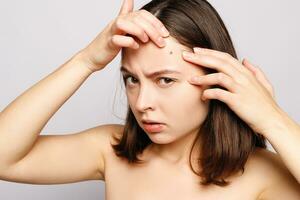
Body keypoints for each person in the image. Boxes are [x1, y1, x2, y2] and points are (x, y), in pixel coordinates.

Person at [0, 0, 299, 199]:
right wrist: (86, 61)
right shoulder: (111, 152)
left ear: (217, 77)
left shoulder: (263, 174)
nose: (142, 102)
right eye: (132, 79)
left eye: (165, 80)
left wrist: (273, 119)